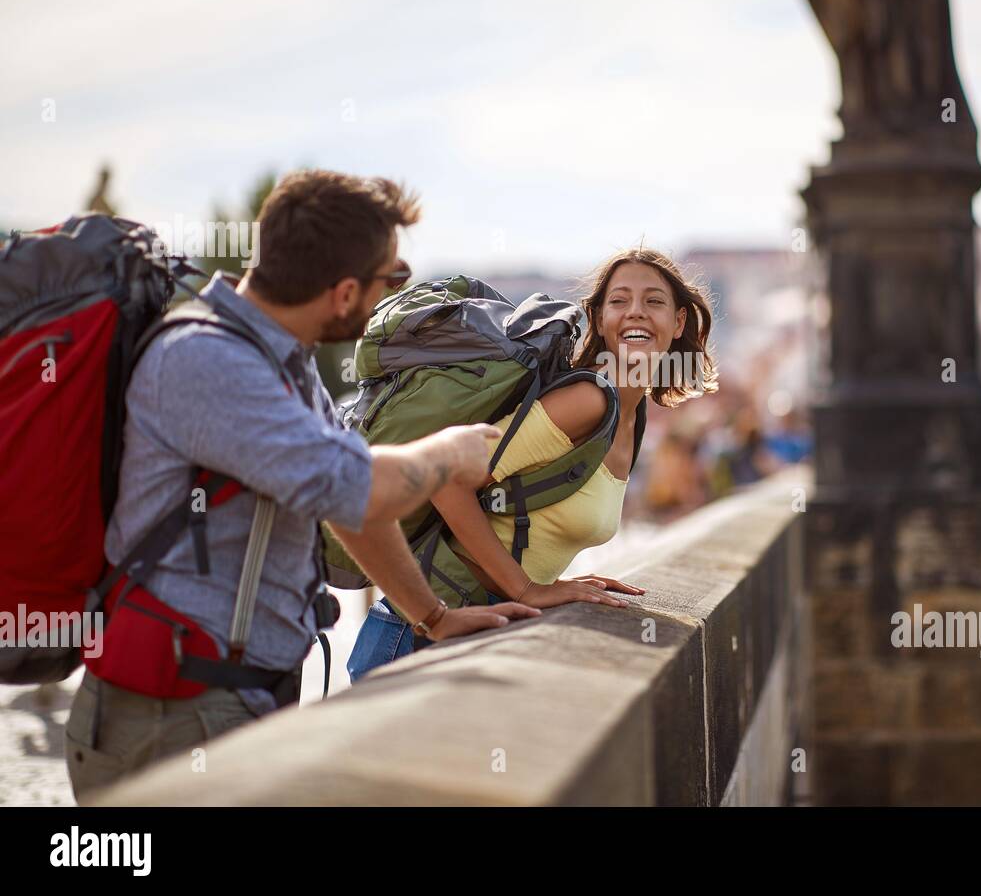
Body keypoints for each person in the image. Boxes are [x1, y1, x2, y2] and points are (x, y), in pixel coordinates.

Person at [64, 170, 539, 800]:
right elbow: (358, 488)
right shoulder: (209, 361)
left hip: (230, 700)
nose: (388, 298)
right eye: (389, 280)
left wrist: (433, 617)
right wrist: (450, 452)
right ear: (344, 291)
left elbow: (349, 509)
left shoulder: (279, 357)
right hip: (174, 714)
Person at [348, 246, 718, 679]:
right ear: (599, 320)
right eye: (619, 301)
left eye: (653, 301)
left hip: (471, 626)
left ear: (678, 322)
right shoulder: (590, 401)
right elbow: (446, 481)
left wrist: (557, 582)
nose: (635, 312)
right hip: (420, 633)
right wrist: (527, 588)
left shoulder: (632, 416)